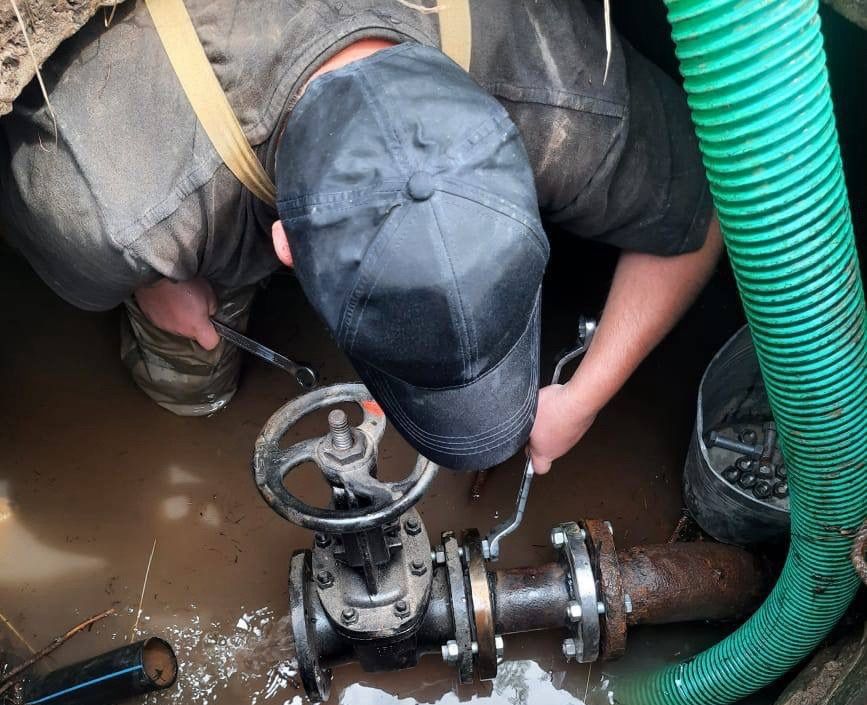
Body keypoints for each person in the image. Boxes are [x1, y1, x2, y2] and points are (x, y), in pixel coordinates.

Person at [0, 0, 721, 474]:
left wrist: (585, 395)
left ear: (524, 167)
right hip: (194, 160)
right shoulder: (111, 205)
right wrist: (157, 279)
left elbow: (707, 211)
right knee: (190, 369)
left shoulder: (558, 84)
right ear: (286, 247)